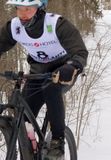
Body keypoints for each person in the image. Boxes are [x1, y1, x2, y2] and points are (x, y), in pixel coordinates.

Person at [0, 0, 88, 159]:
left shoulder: (57, 24)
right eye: (19, 9)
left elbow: (79, 52)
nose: (22, 14)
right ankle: (30, 151)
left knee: (52, 89)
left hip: (62, 72)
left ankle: (57, 141)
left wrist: (73, 66)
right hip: (37, 72)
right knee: (23, 118)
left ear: (40, 9)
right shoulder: (14, 27)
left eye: (28, 9)